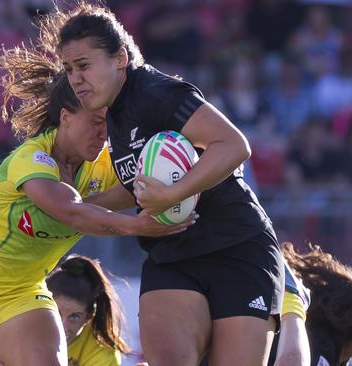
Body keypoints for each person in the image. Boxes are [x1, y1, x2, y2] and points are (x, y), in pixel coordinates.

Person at [0, 46, 193, 366]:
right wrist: (136, 225)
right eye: (96, 122)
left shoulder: (102, 163)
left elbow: (135, 185)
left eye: (108, 123)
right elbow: (70, 211)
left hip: (19, 292)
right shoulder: (32, 158)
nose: (104, 133)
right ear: (65, 118)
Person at [37, 3, 286, 365]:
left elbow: (233, 145)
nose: (75, 78)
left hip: (237, 248)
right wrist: (77, 208)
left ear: (120, 58)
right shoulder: (115, 112)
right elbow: (140, 186)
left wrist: (171, 194)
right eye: (70, 68)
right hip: (172, 255)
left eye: (84, 66)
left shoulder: (156, 91)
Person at [47, 254, 130, 366]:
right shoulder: (20, 327)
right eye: (55, 313)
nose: (62, 327)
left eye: (74, 317)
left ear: (88, 317)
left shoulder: (102, 352)